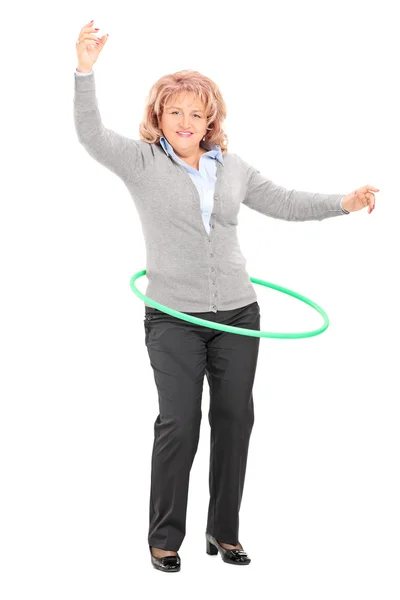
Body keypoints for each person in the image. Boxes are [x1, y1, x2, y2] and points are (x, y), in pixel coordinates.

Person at [74, 20, 379, 573]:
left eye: (196, 112)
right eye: (175, 112)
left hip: (240, 310)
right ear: (159, 118)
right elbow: (91, 135)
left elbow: (285, 201)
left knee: (236, 418)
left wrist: (345, 201)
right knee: (179, 423)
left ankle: (225, 531)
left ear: (210, 118)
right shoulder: (141, 163)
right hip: (174, 318)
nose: (186, 122)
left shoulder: (233, 168)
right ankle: (164, 537)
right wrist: (85, 70)